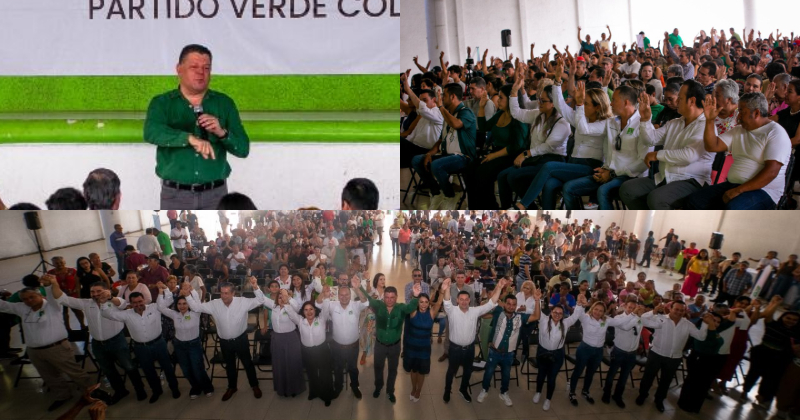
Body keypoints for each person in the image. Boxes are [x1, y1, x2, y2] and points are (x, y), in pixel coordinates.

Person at [144, 44, 249, 210]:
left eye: (206, 68)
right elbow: (151, 132)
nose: (201, 72)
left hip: (216, 194)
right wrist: (189, 138)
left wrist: (221, 132)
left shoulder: (224, 103)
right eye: (194, 67)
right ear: (179, 69)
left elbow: (243, 149)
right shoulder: (162, 103)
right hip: (175, 195)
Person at [0, 275, 95, 411]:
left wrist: (50, 285)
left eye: (32, 297)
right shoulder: (22, 308)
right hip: (35, 351)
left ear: (40, 296)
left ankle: (91, 393)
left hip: (57, 348)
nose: (29, 301)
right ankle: (63, 395)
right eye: (25, 299)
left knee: (75, 373)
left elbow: (53, 296)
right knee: (49, 376)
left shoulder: (52, 306)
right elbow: (3, 306)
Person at [687, 92, 792, 209]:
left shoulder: (775, 133)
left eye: (742, 111)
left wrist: (739, 190)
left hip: (765, 190)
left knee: (734, 208)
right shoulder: (739, 130)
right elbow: (712, 146)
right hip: (734, 185)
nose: (738, 115)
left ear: (756, 113)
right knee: (695, 200)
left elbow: (771, 172)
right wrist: (710, 121)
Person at [52, 276, 146, 404]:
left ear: (106, 291)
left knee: (129, 366)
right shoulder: (86, 303)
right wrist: (53, 283)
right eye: (93, 292)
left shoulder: (113, 302)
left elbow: (123, 304)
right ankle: (120, 391)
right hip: (97, 343)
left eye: (99, 291)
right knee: (108, 370)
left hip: (116, 341)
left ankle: (140, 389)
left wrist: (110, 297)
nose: (95, 294)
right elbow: (62, 299)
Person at [620, 80, 713, 209]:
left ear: (691, 101)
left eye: (680, 98)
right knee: (628, 189)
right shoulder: (675, 122)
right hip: (666, 176)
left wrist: (657, 155)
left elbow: (689, 156)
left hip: (691, 180)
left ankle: (665, 226)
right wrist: (645, 120)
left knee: (657, 198)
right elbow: (650, 139)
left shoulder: (705, 125)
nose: (676, 101)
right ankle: (649, 221)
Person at [561, 85, 651, 209]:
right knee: (569, 187)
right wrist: (606, 170)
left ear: (626, 102)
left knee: (604, 190)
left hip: (630, 176)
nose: (611, 104)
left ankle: (608, 226)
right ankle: (577, 221)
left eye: (614, 100)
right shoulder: (611, 122)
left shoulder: (643, 125)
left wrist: (613, 173)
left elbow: (642, 163)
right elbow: (584, 129)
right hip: (608, 173)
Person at [184, 276, 265, 401]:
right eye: (221, 293)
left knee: (248, 364)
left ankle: (254, 385)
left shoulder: (243, 302)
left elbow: (260, 300)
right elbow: (196, 308)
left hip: (240, 340)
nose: (224, 296)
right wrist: (188, 295)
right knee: (230, 365)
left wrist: (255, 286)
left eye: (227, 293)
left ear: (233, 293)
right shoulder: (215, 304)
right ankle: (232, 387)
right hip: (225, 342)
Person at [100, 291, 181, 403]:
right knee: (148, 371)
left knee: (167, 367)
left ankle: (174, 388)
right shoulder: (127, 314)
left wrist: (164, 289)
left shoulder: (155, 307)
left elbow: (169, 300)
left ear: (144, 300)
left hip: (159, 344)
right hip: (141, 348)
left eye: (140, 301)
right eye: (134, 303)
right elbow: (107, 314)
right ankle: (156, 391)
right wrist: (105, 301)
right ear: (131, 304)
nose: (138, 304)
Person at [410, 83, 476, 210]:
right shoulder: (447, 115)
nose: (441, 98)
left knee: (436, 165)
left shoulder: (465, 112)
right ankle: (436, 192)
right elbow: (440, 140)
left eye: (443, 95)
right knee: (417, 160)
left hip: (463, 157)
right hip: (447, 155)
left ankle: (450, 195)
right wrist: (429, 154)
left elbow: (456, 124)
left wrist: (440, 107)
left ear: (452, 97)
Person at [637, 301, 712, 412]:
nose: (679, 312)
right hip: (657, 354)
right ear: (670, 309)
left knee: (666, 381)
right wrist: (654, 311)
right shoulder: (661, 319)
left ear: (685, 311)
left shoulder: (687, 324)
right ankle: (642, 395)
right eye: (676, 309)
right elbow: (643, 320)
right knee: (648, 377)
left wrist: (705, 324)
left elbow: (701, 337)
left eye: (682, 310)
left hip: (674, 357)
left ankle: (659, 400)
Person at [441, 277, 507, 403]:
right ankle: (447, 390)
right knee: (451, 371)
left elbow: (491, 303)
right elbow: (446, 301)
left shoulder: (474, 311)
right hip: (455, 348)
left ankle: (463, 389)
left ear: (469, 300)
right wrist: (447, 288)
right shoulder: (452, 311)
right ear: (457, 301)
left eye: (466, 300)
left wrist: (499, 287)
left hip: (470, 348)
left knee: (467, 371)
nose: (464, 302)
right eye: (461, 299)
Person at [477, 285, 541, 407]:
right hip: (494, 351)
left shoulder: (521, 317)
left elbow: (536, 316)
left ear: (516, 306)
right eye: (509, 304)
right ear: (505, 304)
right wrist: (492, 298)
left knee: (506, 374)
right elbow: (482, 312)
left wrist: (537, 300)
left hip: (509, 353)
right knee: (489, 372)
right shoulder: (498, 312)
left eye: (513, 304)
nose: (511, 306)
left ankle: (504, 392)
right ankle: (484, 390)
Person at [568, 295, 639, 406]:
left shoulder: (606, 320)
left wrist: (633, 314)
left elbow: (621, 321)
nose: (598, 312)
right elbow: (578, 314)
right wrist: (579, 304)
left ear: (604, 312)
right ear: (592, 309)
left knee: (590, 373)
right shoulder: (586, 318)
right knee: (578, 371)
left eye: (601, 311)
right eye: (596, 309)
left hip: (598, 351)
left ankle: (585, 391)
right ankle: (572, 392)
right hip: (585, 349)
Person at [361, 282, 422, 403]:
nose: (389, 300)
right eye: (387, 297)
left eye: (392, 297)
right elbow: (367, 298)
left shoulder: (401, 308)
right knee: (378, 367)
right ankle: (378, 387)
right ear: (383, 297)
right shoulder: (378, 305)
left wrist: (415, 296)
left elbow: (411, 308)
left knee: (393, 370)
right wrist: (359, 287)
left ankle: (390, 391)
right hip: (380, 345)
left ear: (396, 297)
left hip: (395, 346)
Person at [741, 296, 800, 409]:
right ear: (783, 317)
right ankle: (745, 391)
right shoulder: (772, 325)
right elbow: (768, 316)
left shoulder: (795, 333)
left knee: (769, 378)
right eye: (788, 318)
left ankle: (761, 397)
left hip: (778, 358)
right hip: (762, 353)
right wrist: (776, 304)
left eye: (794, 320)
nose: (791, 321)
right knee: (753, 373)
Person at [157, 282, 214, 399]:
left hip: (193, 344)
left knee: (197, 368)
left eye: (185, 304)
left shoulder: (195, 313)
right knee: (186, 370)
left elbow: (197, 303)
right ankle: (195, 387)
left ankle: (207, 386)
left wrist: (191, 291)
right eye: (179, 304)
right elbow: (160, 307)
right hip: (179, 345)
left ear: (189, 304)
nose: (182, 306)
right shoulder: (174, 314)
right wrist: (161, 291)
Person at [316, 276, 370, 400]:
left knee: (353, 368)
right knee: (337, 368)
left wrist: (357, 289)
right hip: (337, 346)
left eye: (347, 295)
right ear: (338, 295)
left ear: (350, 295)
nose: (344, 297)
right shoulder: (332, 304)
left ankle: (355, 386)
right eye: (341, 295)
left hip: (353, 346)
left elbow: (366, 302)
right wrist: (323, 293)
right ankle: (338, 387)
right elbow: (317, 304)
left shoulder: (356, 305)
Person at [285, 292, 335, 406]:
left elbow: (326, 309)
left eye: (311, 309)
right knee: (311, 373)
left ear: (315, 310)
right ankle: (314, 392)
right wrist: (286, 303)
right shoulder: (300, 321)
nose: (309, 312)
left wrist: (326, 298)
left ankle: (327, 395)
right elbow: (291, 313)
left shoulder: (321, 319)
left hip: (322, 351)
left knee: (325, 374)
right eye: (306, 310)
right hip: (307, 352)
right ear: (303, 312)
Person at [260, 282, 305, 398]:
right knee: (280, 365)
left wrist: (287, 298)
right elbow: (262, 298)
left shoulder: (291, 307)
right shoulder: (273, 307)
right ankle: (282, 388)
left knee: (292, 364)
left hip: (291, 338)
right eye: (279, 297)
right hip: (277, 339)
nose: (281, 298)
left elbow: (297, 307)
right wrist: (255, 287)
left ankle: (295, 388)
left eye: (283, 296)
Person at [404, 279, 446, 402]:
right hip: (412, 347)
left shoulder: (431, 313)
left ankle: (419, 390)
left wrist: (442, 291)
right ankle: (413, 387)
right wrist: (414, 295)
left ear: (428, 303)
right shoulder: (413, 312)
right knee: (413, 370)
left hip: (424, 348)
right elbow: (411, 303)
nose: (423, 304)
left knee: (421, 372)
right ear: (417, 303)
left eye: (426, 302)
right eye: (421, 302)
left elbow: (438, 303)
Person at [602, 297, 646, 407]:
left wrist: (644, 314)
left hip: (632, 353)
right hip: (619, 351)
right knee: (612, 373)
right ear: (625, 306)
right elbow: (626, 327)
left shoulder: (640, 318)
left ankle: (617, 396)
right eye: (630, 307)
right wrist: (635, 316)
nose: (632, 309)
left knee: (624, 376)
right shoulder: (619, 318)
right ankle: (606, 393)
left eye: (634, 308)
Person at [677, 311, 724, 413]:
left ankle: (694, 406)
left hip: (711, 361)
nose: (715, 323)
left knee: (703, 386)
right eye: (713, 320)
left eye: (717, 322)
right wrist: (710, 324)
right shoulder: (701, 332)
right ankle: (685, 404)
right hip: (698, 359)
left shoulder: (715, 333)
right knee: (692, 383)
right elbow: (710, 341)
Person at [400, 73, 444, 168]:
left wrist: (407, 89)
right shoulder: (422, 115)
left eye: (425, 100)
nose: (422, 103)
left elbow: (423, 109)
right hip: (413, 148)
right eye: (421, 100)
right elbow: (412, 135)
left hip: (424, 151)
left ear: (434, 100)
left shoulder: (438, 113)